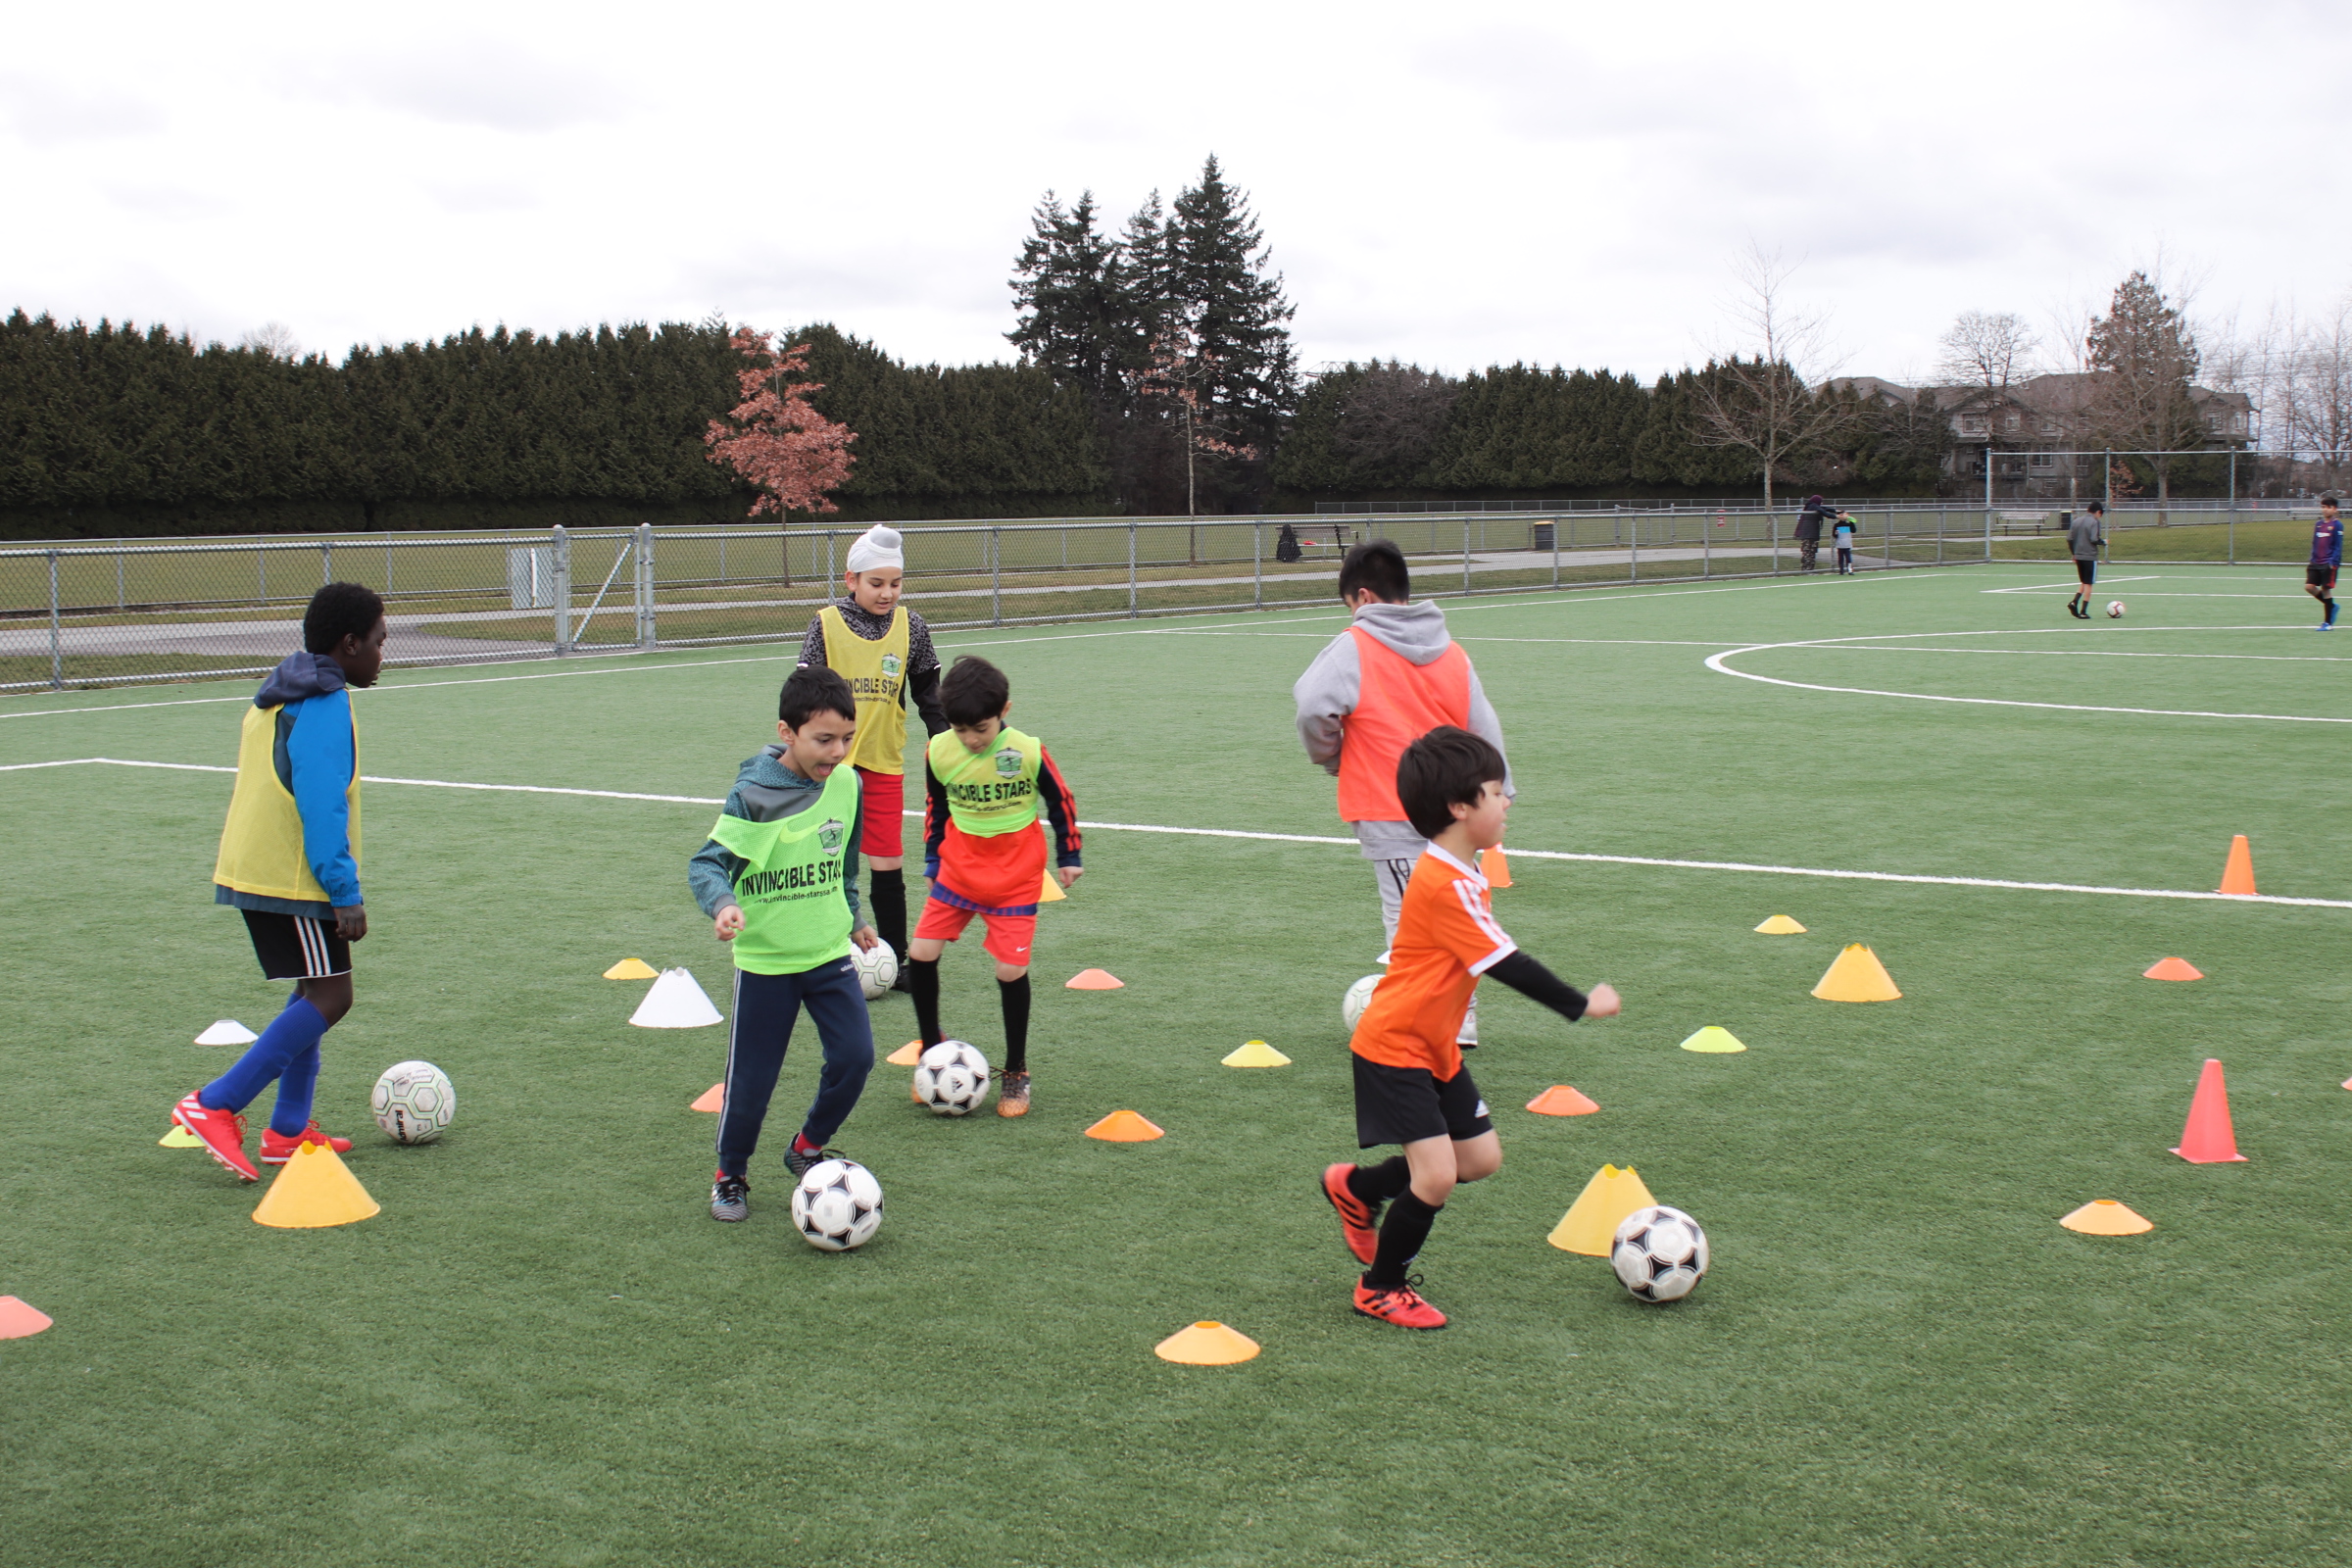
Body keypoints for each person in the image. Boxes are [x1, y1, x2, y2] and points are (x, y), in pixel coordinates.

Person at [1318, 727, 1620, 1330]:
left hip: (1435, 1049)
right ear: (1460, 807)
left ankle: (1360, 1187)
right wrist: (1580, 1004)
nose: (1508, 801)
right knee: (1437, 1176)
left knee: (1478, 1160)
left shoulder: (1461, 870)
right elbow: (1507, 963)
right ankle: (1381, 1287)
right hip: (1394, 1048)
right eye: (1496, 791)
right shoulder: (1446, 883)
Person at [173, 583, 388, 1182]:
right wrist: (343, 891)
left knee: (312, 990)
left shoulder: (282, 689)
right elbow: (321, 804)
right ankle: (216, 1103)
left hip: (260, 868)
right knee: (332, 996)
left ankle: (287, 1131)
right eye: (377, 643)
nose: (381, 655)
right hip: (294, 878)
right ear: (348, 645)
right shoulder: (324, 701)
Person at [1293, 539, 1512, 1046]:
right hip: (1457, 811)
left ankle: (1432, 1021)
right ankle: (1460, 1015)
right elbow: (1485, 728)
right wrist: (1501, 797)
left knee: (1409, 920)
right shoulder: (1452, 652)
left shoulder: (1355, 645)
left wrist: (1332, 756)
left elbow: (1311, 706)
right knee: (1457, 910)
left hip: (1390, 807)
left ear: (1363, 598)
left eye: (1349, 607)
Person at [689, 666, 882, 1222]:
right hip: (767, 962)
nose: (838, 751)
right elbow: (707, 864)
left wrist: (853, 916)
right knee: (753, 1080)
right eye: (824, 740)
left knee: (856, 1058)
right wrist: (723, 903)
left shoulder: (848, 783)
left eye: (847, 738)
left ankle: (806, 1147)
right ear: (787, 731)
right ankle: (731, 1175)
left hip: (826, 956)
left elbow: (844, 862)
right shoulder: (756, 794)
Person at [907, 656, 1082, 1117]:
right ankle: (931, 1051)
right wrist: (931, 857)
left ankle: (1016, 1071)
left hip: (1015, 878)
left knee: (1009, 972)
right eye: (960, 729)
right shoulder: (938, 751)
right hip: (957, 870)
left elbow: (1060, 801)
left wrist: (1069, 855)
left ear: (1005, 710)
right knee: (921, 953)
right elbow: (937, 808)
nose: (970, 739)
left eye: (980, 729)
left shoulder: (1026, 751)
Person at [797, 524, 946, 990]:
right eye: (876, 583)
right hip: (827, 767)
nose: (887, 594)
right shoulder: (825, 623)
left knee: (886, 862)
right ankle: (809, 952)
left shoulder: (913, 627)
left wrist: (944, 743)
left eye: (895, 584)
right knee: (820, 859)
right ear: (851, 580)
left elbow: (929, 697)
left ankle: (896, 959)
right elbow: (801, 695)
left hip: (883, 762)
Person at [2305, 494, 2341, 630]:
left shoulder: (2337, 525)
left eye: (2328, 507)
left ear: (2335, 509)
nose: (2325, 510)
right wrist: (2312, 558)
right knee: (2309, 587)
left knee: (2326, 590)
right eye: (2323, 507)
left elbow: (2338, 546)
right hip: (2316, 562)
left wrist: (2333, 562)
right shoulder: (2319, 525)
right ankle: (2331, 605)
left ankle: (2328, 624)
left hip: (2328, 564)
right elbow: (2315, 543)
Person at [2067, 501, 2105, 618]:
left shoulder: (2076, 521)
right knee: (2089, 583)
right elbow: (2094, 539)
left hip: (2078, 555)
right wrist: (2103, 542)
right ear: (2098, 512)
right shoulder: (2094, 522)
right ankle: (2083, 611)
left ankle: (2074, 602)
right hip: (2090, 556)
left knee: (2084, 581)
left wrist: (2074, 553)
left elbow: (2069, 538)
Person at [1794, 495, 1834, 572]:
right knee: (1808, 552)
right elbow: (1823, 511)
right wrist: (1836, 516)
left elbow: (1826, 508)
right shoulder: (1812, 506)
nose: (1821, 503)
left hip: (1813, 533)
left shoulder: (1814, 506)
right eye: (1820, 501)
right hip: (1808, 534)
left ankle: (1809, 569)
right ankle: (1806, 569)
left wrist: (1838, 511)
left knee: (1812, 552)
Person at [1832, 510, 1858, 574]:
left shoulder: (1849, 524)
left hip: (1847, 544)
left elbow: (1854, 530)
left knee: (1848, 558)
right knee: (1840, 558)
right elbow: (1834, 535)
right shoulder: (1836, 525)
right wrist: (1836, 533)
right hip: (1840, 544)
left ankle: (1850, 570)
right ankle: (1841, 570)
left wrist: (1852, 522)